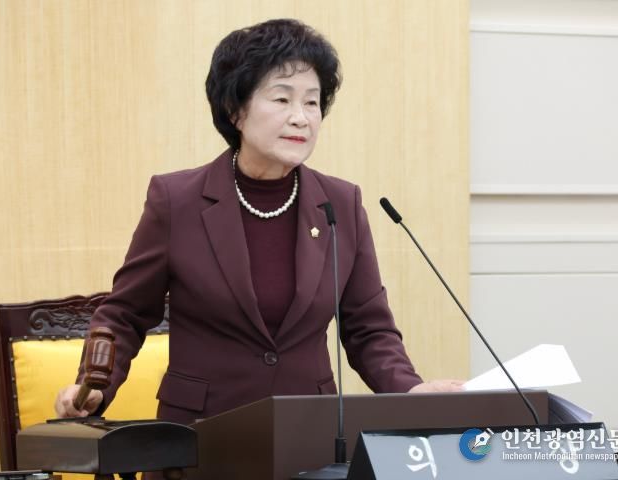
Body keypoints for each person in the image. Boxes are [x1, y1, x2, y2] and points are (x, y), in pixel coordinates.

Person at [54, 18, 462, 425]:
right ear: (236, 110)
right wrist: (93, 387)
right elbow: (125, 314)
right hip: (201, 434)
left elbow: (368, 329)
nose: (301, 118)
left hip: (309, 432)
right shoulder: (177, 201)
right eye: (282, 99)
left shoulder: (340, 204)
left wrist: (409, 390)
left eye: (312, 102)